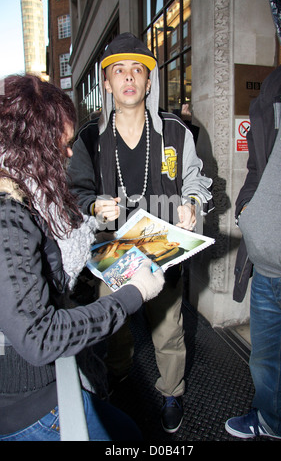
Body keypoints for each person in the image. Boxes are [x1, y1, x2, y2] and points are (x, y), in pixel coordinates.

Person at [0, 74, 165, 441]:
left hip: (54, 379)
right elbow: (39, 336)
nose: (70, 152)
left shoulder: (26, 194)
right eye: (65, 142)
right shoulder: (8, 219)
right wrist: (133, 293)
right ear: (37, 142)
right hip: (33, 407)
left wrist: (100, 235)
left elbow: (52, 256)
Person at [67, 32, 213, 433]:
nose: (129, 78)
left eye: (138, 70)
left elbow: (196, 180)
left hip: (163, 249)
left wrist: (193, 205)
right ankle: (119, 378)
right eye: (119, 71)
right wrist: (94, 206)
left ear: (149, 81)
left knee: (168, 329)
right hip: (111, 253)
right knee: (113, 329)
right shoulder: (89, 137)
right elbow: (74, 193)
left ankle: (171, 393)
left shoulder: (175, 131)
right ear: (107, 83)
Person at [225, 0, 281, 441]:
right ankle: (270, 422)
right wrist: (247, 211)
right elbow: (256, 164)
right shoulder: (274, 86)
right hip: (266, 270)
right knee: (265, 361)